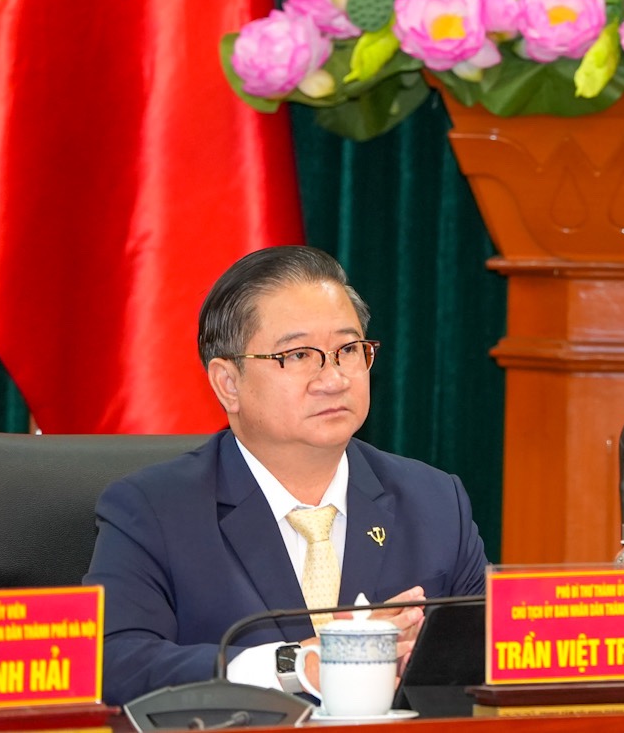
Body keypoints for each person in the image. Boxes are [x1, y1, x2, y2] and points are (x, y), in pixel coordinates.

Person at [86, 246, 490, 706]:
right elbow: (115, 663)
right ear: (228, 384)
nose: (333, 379)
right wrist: (296, 666)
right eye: (298, 355)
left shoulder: (435, 501)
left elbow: (492, 662)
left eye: (348, 350)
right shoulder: (153, 510)